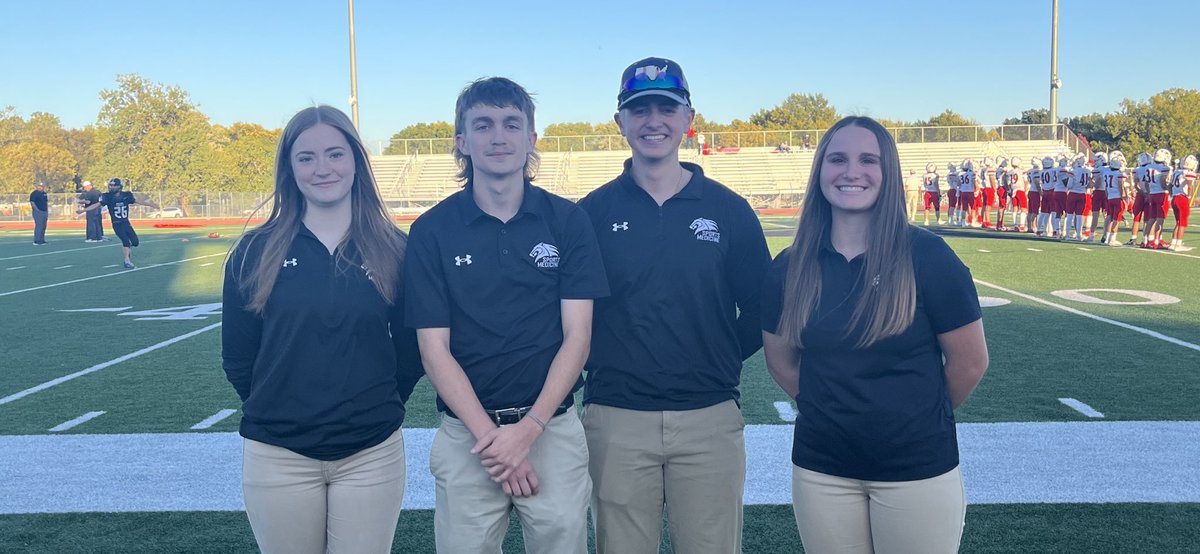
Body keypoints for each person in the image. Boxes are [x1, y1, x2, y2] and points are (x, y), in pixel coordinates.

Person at [761, 116, 989, 553]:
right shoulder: (789, 267)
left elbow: (970, 362)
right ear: (820, 171)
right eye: (837, 159)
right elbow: (781, 361)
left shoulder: (928, 256)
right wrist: (834, 412)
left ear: (888, 173)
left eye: (869, 160)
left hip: (916, 467)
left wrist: (909, 418)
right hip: (822, 468)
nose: (851, 172)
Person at [404, 77, 607, 553]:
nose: (499, 136)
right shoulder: (432, 230)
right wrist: (496, 441)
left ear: (532, 138)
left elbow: (577, 337)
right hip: (467, 436)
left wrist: (529, 429)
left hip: (551, 428)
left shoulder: (567, 220)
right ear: (462, 141)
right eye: (483, 124)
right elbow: (434, 352)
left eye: (512, 123)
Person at [578, 56, 770, 554]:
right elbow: (571, 316)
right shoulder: (591, 214)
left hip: (709, 415)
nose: (653, 121)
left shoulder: (729, 210)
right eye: (639, 109)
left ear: (689, 118)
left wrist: (719, 355)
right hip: (616, 416)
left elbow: (763, 308)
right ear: (620, 122)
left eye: (667, 107)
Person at [221, 105, 422, 554]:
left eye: (335, 154)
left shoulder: (395, 249)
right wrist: (280, 406)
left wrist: (376, 404)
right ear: (289, 169)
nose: (323, 168)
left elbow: (412, 352)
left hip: (371, 451)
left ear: (355, 161)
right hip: (278, 454)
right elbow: (238, 356)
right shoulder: (254, 251)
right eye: (306, 157)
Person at [77, 178, 159, 268]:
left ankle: (127, 250)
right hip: (116, 223)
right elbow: (96, 205)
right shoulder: (107, 197)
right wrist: (84, 210)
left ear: (119, 187)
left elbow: (138, 201)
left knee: (135, 242)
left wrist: (151, 204)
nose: (111, 187)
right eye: (111, 185)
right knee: (125, 241)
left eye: (114, 185)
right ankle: (127, 261)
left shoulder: (126, 195)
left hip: (126, 223)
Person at [1168, 154, 1197, 251]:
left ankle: (1173, 243)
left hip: (1175, 197)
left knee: (1178, 222)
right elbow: (1189, 186)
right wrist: (1189, 196)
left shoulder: (1177, 172)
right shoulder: (1188, 173)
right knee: (1182, 223)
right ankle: (1179, 244)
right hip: (1182, 198)